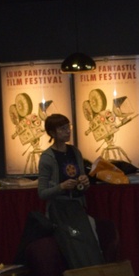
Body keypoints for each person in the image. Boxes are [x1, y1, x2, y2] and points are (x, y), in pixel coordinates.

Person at [37, 114, 103, 267]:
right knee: (75, 242)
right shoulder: (47, 158)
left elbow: (82, 184)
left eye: (68, 127)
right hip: (59, 210)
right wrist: (61, 187)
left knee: (90, 238)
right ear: (52, 133)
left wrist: (85, 182)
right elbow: (42, 193)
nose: (67, 131)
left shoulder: (75, 152)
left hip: (76, 207)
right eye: (62, 129)